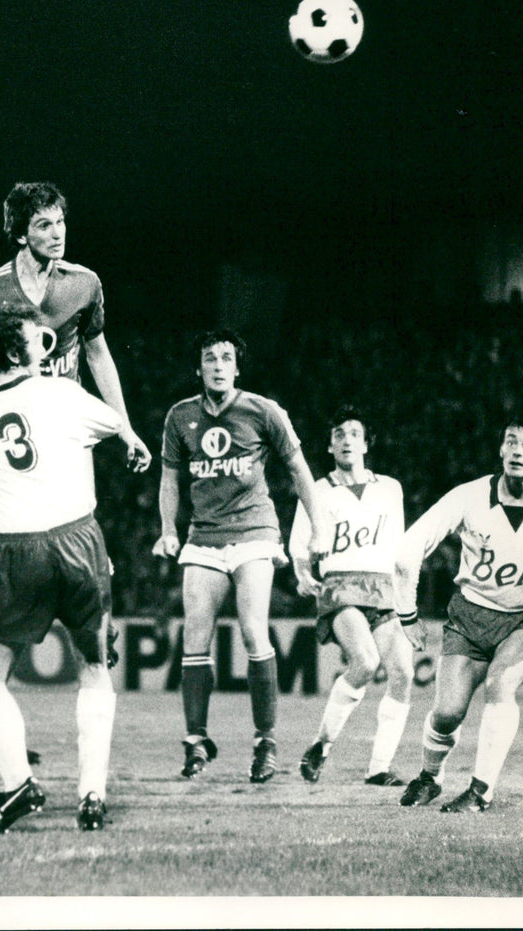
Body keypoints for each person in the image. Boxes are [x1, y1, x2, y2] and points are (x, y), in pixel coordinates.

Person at [0, 181, 146, 694]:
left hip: (63, 432)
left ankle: (101, 626)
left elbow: (99, 355)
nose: (57, 234)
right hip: (5, 429)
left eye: (60, 222)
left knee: (82, 533)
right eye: (43, 225)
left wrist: (124, 428)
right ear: (19, 233)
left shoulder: (84, 284)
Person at [0, 302, 122, 832]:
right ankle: (92, 794)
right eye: (38, 341)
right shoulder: (60, 394)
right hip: (81, 542)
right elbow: (108, 425)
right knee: (95, 670)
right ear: (17, 350)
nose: (47, 348)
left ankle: (20, 785)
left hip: (18, 551)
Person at [152, 330, 323, 783]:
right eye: (210, 358)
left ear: (237, 368)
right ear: (199, 368)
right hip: (204, 536)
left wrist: (318, 528)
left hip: (254, 533)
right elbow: (169, 480)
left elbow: (300, 472)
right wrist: (168, 530)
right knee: (195, 634)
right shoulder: (179, 416)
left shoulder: (264, 411)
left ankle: (265, 741)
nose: (218, 365)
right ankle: (195, 741)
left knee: (252, 629)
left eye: (226, 358)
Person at [397, 412, 523, 813]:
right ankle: (430, 778)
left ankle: (479, 793)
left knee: (500, 683)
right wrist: (406, 613)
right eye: (511, 441)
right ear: (501, 448)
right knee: (448, 712)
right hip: (469, 617)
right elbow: (409, 548)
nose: (518, 451)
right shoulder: (468, 497)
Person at [288, 406, 413, 787]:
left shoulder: (390, 488)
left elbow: (399, 548)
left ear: (365, 444)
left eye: (354, 434)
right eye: (339, 434)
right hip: (340, 583)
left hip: (383, 586)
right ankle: (322, 745)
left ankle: (378, 768)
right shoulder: (318, 490)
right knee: (364, 661)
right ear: (329, 446)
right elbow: (298, 543)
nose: (346, 440)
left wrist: (407, 598)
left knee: (404, 672)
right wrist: (303, 575)